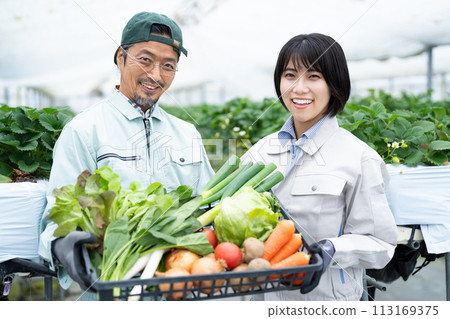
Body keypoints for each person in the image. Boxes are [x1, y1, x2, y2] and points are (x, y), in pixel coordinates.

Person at [39, 12, 214, 291]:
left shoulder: (186, 133)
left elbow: (210, 206)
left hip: (178, 285)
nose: (155, 75)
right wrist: (63, 244)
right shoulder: (83, 130)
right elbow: (57, 217)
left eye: (168, 65)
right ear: (120, 58)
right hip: (111, 288)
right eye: (145, 60)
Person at [241, 33, 397, 301]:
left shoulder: (359, 157)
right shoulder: (258, 153)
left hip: (326, 301)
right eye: (290, 75)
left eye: (314, 76)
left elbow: (380, 244)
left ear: (334, 83)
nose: (299, 88)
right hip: (264, 300)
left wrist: (331, 250)